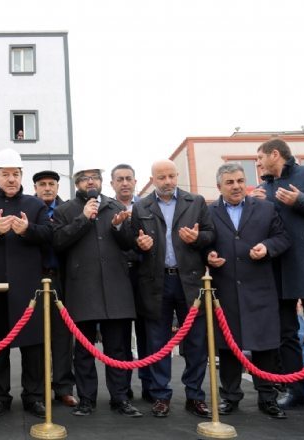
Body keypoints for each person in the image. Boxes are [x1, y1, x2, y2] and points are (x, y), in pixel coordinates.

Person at [0, 148, 52, 418]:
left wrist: (27, 230)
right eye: (6, 174)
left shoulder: (36, 204)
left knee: (33, 346)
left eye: (15, 174)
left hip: (29, 286)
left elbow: (49, 235)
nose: (11, 179)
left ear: (21, 176)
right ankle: (0, 397)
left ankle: (34, 396)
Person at [53, 163, 141, 417]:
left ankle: (120, 398)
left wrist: (117, 227)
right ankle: (86, 400)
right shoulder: (65, 210)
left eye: (94, 178)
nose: (90, 182)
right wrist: (83, 218)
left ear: (102, 181)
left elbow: (129, 245)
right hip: (82, 289)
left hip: (116, 288)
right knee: (83, 351)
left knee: (118, 350)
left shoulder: (116, 207)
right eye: (84, 178)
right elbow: (58, 242)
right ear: (76, 183)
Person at [131, 159, 215, 418]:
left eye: (171, 176)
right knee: (157, 343)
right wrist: (140, 244)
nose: (167, 181)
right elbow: (132, 242)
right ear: (152, 179)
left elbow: (211, 235)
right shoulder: (141, 206)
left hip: (189, 280)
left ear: (177, 175)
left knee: (196, 342)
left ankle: (195, 396)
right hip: (156, 282)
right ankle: (160, 396)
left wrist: (198, 238)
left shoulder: (196, 202)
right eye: (161, 177)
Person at [206, 162, 289, 419]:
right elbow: (201, 243)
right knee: (228, 346)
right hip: (225, 289)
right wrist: (208, 255)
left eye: (240, 181)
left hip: (259, 287)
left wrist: (266, 247)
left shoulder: (266, 208)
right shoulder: (208, 213)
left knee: (265, 345)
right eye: (230, 182)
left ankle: (268, 398)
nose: (237, 186)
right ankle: (230, 397)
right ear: (219, 186)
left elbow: (282, 238)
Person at [252, 138, 304, 409]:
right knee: (286, 333)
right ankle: (294, 392)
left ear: (275, 154)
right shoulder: (262, 189)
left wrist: (301, 200)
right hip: (277, 267)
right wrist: (254, 206)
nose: (257, 163)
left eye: (260, 157)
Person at [32, 170, 78, 408]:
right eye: (42, 184)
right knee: (37, 336)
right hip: (35, 279)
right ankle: (38, 389)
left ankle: (63, 388)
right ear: (35, 187)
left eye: (51, 184)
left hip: (62, 279)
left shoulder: (69, 210)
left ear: (58, 187)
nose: (47, 188)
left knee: (62, 336)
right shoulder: (28, 209)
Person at [109, 163, 153, 403]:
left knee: (148, 335)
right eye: (119, 179)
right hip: (117, 279)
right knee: (121, 338)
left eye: (128, 178)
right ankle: (123, 389)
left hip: (144, 276)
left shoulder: (148, 206)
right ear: (112, 184)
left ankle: (150, 387)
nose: (124, 183)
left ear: (136, 182)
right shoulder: (107, 208)